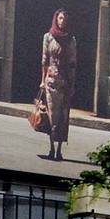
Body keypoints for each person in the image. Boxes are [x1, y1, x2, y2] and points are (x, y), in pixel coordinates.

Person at [37, 9, 73, 161]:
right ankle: (51, 148)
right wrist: (42, 80)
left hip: (64, 82)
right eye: (60, 18)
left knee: (62, 117)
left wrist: (72, 84)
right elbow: (44, 61)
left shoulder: (71, 39)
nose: (62, 21)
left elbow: (73, 63)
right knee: (51, 115)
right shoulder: (48, 36)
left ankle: (59, 149)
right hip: (51, 82)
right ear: (56, 19)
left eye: (64, 19)